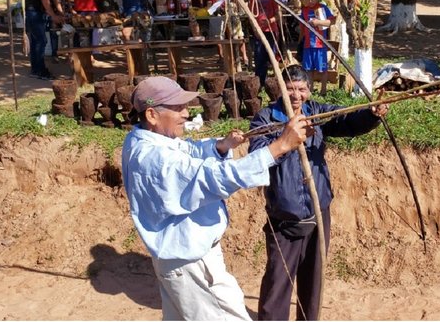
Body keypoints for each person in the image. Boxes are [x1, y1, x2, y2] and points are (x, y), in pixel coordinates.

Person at [121, 76, 309, 321]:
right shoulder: (155, 160)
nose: (186, 114)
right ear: (152, 115)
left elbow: (186, 150)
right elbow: (216, 177)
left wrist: (221, 146)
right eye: (178, 108)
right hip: (193, 266)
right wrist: (280, 147)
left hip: (181, 263)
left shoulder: (143, 139)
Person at [249, 64, 389, 321]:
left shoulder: (316, 112)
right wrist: (287, 138)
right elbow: (257, 155)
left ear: (309, 92)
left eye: (301, 89)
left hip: (317, 212)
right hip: (285, 217)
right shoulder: (266, 118)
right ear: (280, 90)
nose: (296, 95)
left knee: (313, 280)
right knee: (278, 281)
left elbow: (345, 120)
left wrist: (370, 114)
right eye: (289, 89)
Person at [25, 0, 65, 80]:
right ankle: (38, 70)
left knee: (38, 40)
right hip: (34, 10)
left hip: (41, 10)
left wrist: (61, 12)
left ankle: (37, 69)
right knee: (40, 40)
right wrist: (53, 15)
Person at [299, 0, 336, 95]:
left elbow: (332, 21)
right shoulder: (304, 11)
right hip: (308, 45)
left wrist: (318, 22)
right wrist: (300, 40)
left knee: (322, 69)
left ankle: (323, 90)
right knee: (308, 69)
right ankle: (310, 89)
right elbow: (301, 27)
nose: (311, 1)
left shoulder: (323, 8)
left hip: (320, 45)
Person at [250, 0, 280, 89]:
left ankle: (275, 83)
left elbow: (278, 14)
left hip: (271, 32)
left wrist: (270, 21)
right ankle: (260, 82)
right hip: (259, 32)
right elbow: (251, 15)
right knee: (259, 57)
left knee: (272, 56)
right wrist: (255, 29)